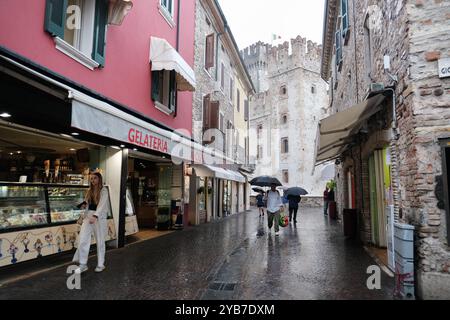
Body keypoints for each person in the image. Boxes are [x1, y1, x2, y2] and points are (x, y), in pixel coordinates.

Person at [73, 172, 110, 273]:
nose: (93, 180)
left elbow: (102, 204)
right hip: (88, 216)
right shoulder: (89, 191)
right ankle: (83, 264)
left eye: (95, 178)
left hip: (98, 218)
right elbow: (87, 203)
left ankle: (101, 264)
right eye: (91, 179)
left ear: (99, 179)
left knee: (100, 241)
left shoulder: (104, 190)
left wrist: (95, 215)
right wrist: (82, 206)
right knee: (82, 240)